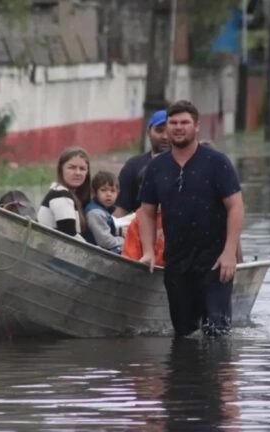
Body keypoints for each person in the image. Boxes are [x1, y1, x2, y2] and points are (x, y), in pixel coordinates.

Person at [137, 100, 244, 337]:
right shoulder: (157, 167)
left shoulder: (217, 162)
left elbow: (235, 207)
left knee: (217, 333)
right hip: (176, 261)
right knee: (184, 334)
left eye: (184, 122)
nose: (178, 127)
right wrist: (148, 251)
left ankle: (218, 372)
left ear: (196, 126)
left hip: (215, 260)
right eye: (172, 123)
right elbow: (146, 211)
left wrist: (229, 252)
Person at [114, 110, 170, 217]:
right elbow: (121, 208)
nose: (165, 137)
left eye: (169, 131)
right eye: (159, 130)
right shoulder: (133, 166)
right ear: (149, 132)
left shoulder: (186, 166)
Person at [37, 147, 91, 239]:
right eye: (72, 167)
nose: (78, 172)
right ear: (61, 169)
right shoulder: (60, 195)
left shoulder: (68, 195)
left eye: (82, 169)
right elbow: (69, 238)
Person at [84, 171, 124, 253]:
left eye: (113, 191)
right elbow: (105, 241)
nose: (108, 194)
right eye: (103, 190)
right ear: (95, 193)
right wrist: (124, 241)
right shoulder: (95, 213)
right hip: (95, 253)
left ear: (118, 193)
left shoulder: (103, 210)